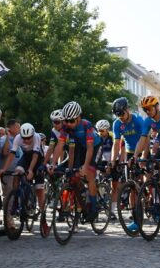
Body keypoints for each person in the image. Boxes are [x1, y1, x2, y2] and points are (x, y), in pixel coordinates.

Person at [49, 102, 102, 220]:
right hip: (80, 147)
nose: (68, 124)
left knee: (89, 174)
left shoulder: (86, 125)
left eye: (71, 121)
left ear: (78, 117)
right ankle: (82, 193)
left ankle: (94, 207)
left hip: (95, 146)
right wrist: (53, 163)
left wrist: (85, 166)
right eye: (66, 121)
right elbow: (60, 145)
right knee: (73, 174)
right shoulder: (66, 126)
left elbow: (90, 148)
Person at [0, 123, 45, 233]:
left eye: (29, 138)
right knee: (17, 172)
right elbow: (12, 154)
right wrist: (4, 169)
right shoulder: (18, 138)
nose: (27, 140)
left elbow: (35, 156)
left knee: (39, 189)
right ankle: (15, 198)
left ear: (32, 135)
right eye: (24, 138)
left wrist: (31, 170)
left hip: (37, 160)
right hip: (25, 158)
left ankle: (43, 216)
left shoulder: (37, 137)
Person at [109, 97, 145, 228]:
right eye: (117, 115)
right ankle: (136, 220)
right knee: (131, 185)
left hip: (142, 149)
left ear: (128, 110)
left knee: (143, 179)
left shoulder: (138, 120)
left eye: (122, 114)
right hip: (130, 152)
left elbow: (145, 139)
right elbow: (116, 143)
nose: (121, 117)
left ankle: (153, 200)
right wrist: (114, 159)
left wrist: (142, 157)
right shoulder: (117, 124)